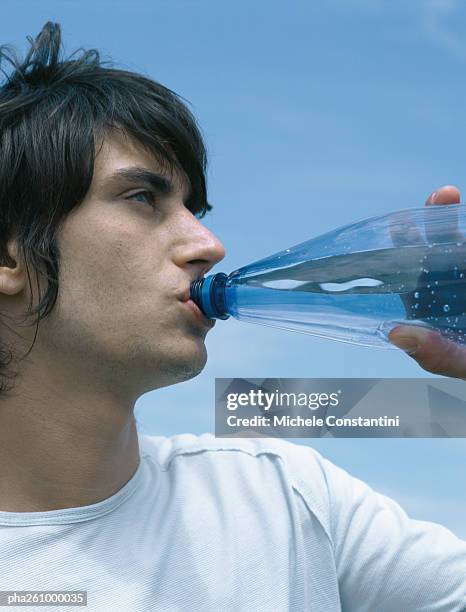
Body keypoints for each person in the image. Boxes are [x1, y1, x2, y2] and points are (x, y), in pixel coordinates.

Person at [0, 21, 463, 612]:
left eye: (193, 209)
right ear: (8, 254)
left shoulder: (287, 498)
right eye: (144, 198)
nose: (209, 244)